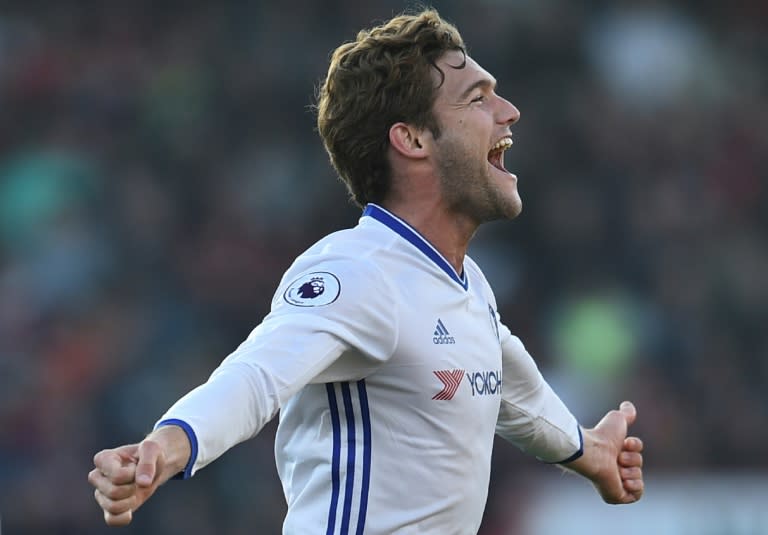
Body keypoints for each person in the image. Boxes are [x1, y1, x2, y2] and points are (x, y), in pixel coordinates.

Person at [88, 9, 644, 534]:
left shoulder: (465, 284)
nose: (508, 111)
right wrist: (166, 447)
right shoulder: (358, 273)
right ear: (413, 139)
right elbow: (256, 376)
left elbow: (508, 383)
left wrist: (588, 452)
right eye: (477, 98)